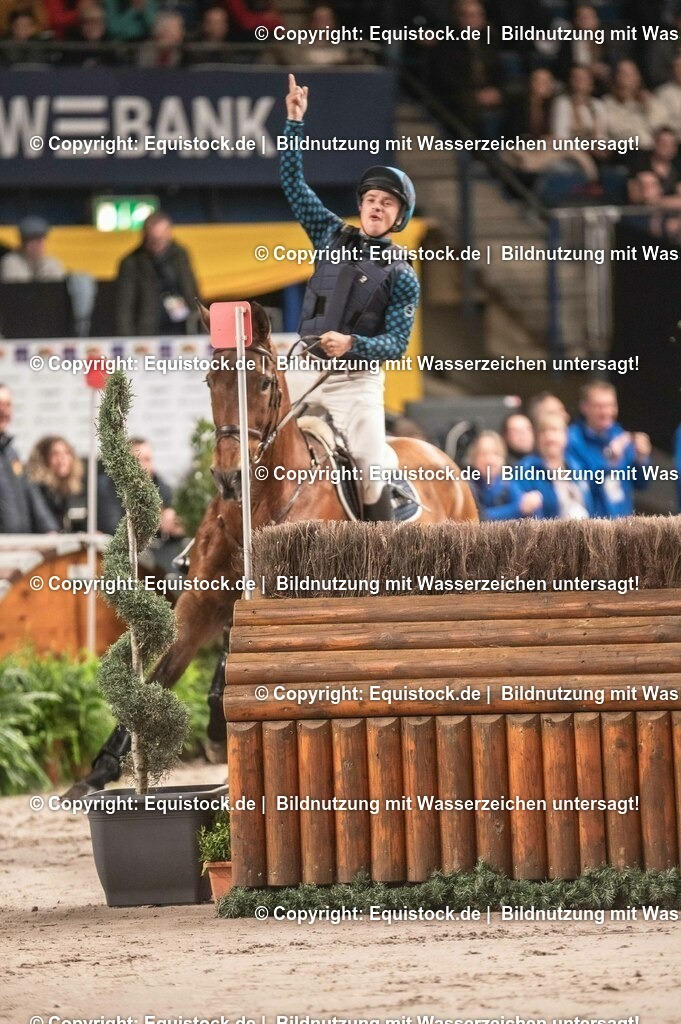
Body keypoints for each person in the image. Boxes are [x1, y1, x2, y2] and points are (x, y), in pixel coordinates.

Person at [281, 73, 419, 521]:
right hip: (304, 366)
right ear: (361, 204)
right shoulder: (328, 233)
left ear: (398, 218)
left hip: (356, 382)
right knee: (254, 437)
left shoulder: (403, 274)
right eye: (372, 199)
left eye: (388, 203)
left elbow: (396, 345)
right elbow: (293, 185)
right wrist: (294, 122)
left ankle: (380, 555)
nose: (377, 207)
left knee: (371, 466)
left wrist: (354, 345)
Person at [567, 381, 652, 517]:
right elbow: (579, 487)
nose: (606, 412)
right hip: (590, 526)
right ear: (584, 407)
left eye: (611, 405)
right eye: (599, 406)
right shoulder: (571, 441)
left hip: (623, 523)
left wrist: (641, 460)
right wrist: (608, 463)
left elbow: (641, 484)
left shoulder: (619, 435)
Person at [114, 211, 199, 335]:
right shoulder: (131, 262)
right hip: (147, 329)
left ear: (169, 234)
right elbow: (124, 306)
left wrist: (199, 324)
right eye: (153, 239)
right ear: (144, 236)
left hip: (181, 325)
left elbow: (191, 289)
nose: (157, 244)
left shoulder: (180, 255)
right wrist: (126, 339)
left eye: (161, 239)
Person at [0, 384, 59, 533]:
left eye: (8, 405)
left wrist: (49, 529)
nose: (4, 411)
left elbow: (30, 492)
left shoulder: (10, 451)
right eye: (0, 404)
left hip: (20, 546)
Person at [516, 414, 593, 519]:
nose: (550, 437)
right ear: (537, 438)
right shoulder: (525, 469)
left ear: (566, 436)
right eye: (543, 431)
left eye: (555, 430)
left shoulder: (578, 466)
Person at [466, 430, 542, 521]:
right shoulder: (469, 487)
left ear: (502, 458)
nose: (489, 459)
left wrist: (530, 504)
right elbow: (477, 517)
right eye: (483, 454)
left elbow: (527, 508)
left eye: (495, 453)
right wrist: (518, 509)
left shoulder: (508, 483)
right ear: (474, 458)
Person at [26, 435, 87, 532]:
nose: (62, 459)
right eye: (55, 454)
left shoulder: (73, 488)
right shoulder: (36, 487)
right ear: (44, 459)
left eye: (67, 453)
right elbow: (44, 520)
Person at [0, 217, 66, 282]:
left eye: (39, 240)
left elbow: (57, 289)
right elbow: (16, 289)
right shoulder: (11, 262)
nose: (36, 245)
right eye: (31, 240)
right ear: (22, 242)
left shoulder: (52, 263)